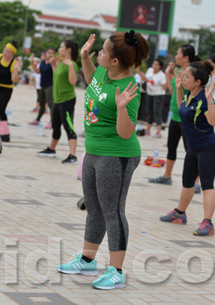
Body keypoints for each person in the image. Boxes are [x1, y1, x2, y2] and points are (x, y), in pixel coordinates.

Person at [56, 31, 150, 290]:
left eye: (104, 52)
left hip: (116, 154)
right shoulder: (103, 72)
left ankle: (116, 271)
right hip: (94, 151)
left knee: (113, 211)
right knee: (94, 208)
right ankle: (87, 260)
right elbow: (91, 82)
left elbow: (126, 132)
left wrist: (122, 109)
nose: (100, 54)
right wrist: (85, 56)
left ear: (116, 61)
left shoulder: (127, 88)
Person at [159, 61, 215, 236]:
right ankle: (179, 214)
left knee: (207, 184)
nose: (183, 78)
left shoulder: (204, 98)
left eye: (187, 77)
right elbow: (182, 109)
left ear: (198, 81)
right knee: (187, 182)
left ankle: (208, 224)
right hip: (193, 148)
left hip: (207, 147)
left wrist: (210, 102)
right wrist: (178, 89)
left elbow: (214, 122)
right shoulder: (188, 95)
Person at [149, 45, 198, 185]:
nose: (176, 57)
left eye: (178, 54)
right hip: (175, 116)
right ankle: (167, 176)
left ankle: (196, 181)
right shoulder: (179, 72)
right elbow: (173, 91)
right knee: (172, 146)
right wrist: (168, 73)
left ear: (186, 58)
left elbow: (193, 94)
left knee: (190, 149)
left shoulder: (192, 74)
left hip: (186, 117)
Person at [37, 40, 79, 164]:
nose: (59, 49)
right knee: (56, 126)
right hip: (58, 100)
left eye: (61, 47)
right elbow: (57, 76)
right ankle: (51, 149)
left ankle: (73, 156)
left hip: (67, 100)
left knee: (68, 126)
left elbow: (72, 81)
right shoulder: (61, 63)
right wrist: (53, 65)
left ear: (68, 50)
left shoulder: (71, 64)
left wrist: (70, 66)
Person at [0, 40, 20, 130]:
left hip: (6, 88)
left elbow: (14, 79)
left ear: (12, 54)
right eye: (5, 50)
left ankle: (4, 131)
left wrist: (15, 70)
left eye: (8, 52)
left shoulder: (13, 63)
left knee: (1, 109)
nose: (5, 53)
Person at [137, 59, 167, 138]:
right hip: (150, 94)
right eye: (154, 64)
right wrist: (138, 71)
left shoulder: (161, 75)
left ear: (160, 66)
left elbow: (165, 87)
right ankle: (148, 130)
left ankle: (158, 132)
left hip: (159, 95)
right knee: (149, 112)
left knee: (156, 112)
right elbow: (146, 79)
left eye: (156, 65)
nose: (154, 66)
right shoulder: (150, 70)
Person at [29, 48, 55, 128]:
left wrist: (53, 64)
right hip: (42, 86)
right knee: (42, 105)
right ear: (45, 54)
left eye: (52, 53)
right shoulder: (43, 62)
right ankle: (37, 120)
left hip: (50, 86)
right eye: (48, 52)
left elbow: (56, 73)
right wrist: (32, 62)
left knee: (51, 104)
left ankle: (52, 122)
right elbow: (38, 71)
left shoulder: (53, 63)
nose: (50, 54)